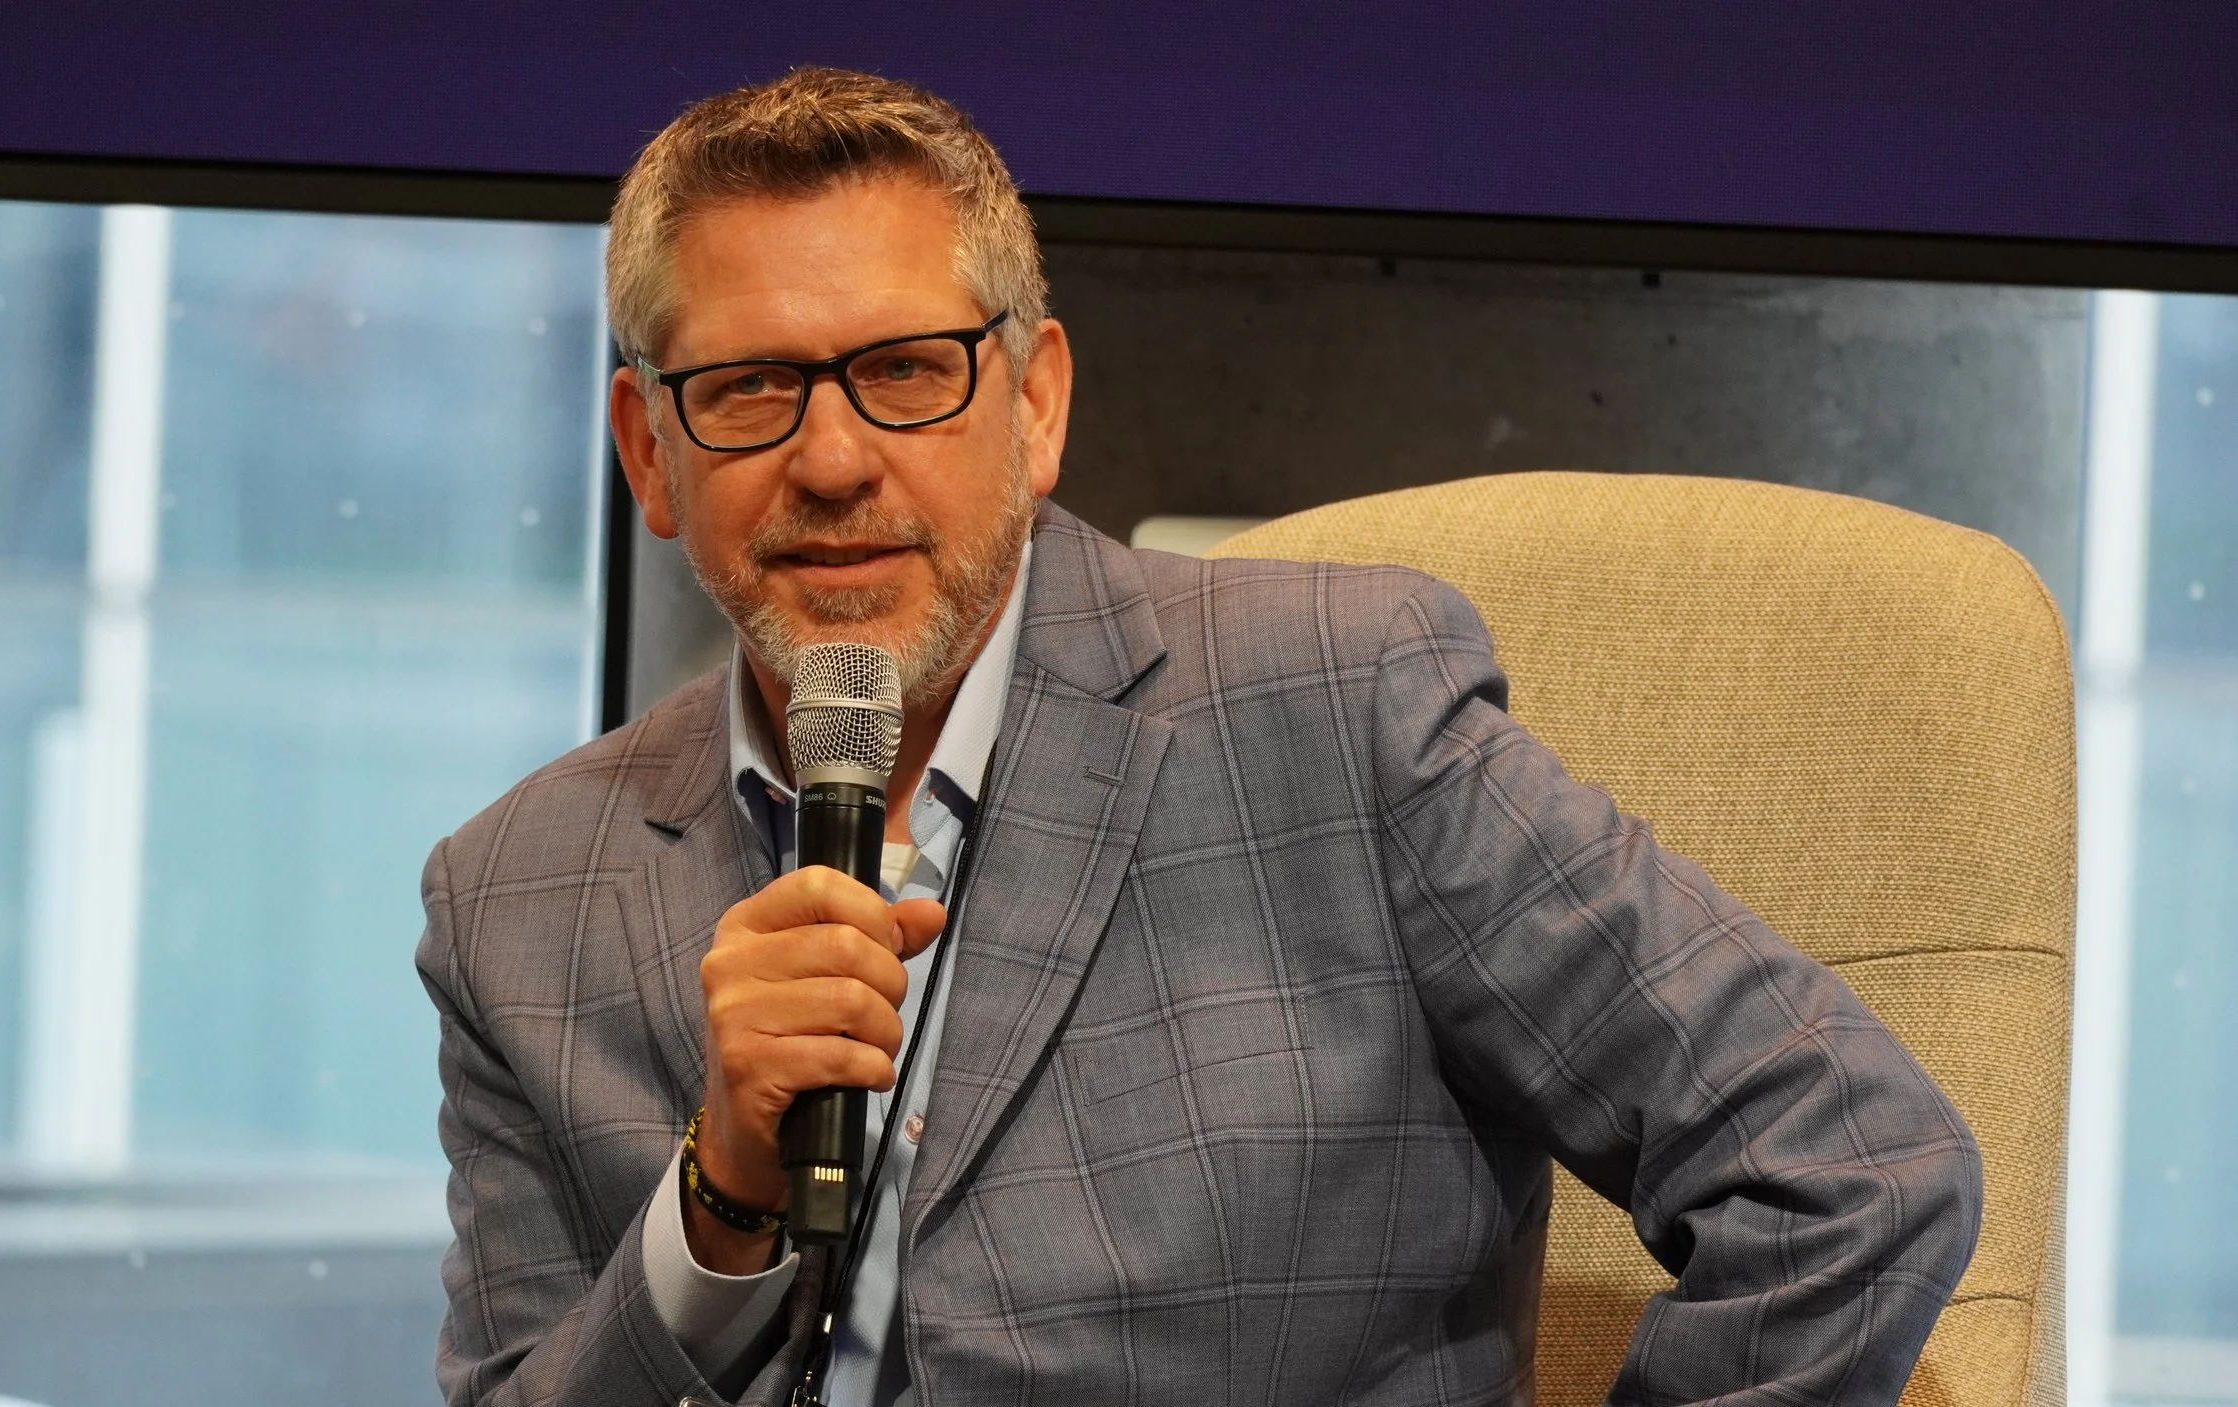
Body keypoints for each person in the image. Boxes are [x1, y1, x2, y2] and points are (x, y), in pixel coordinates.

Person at [415, 67, 1981, 1407]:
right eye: (750, 387)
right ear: (650, 451)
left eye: (903, 372)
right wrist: (720, 1200)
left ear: (1033, 406)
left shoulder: (1338, 710)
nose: (833, 459)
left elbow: (1847, 1168)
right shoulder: (517, 893)